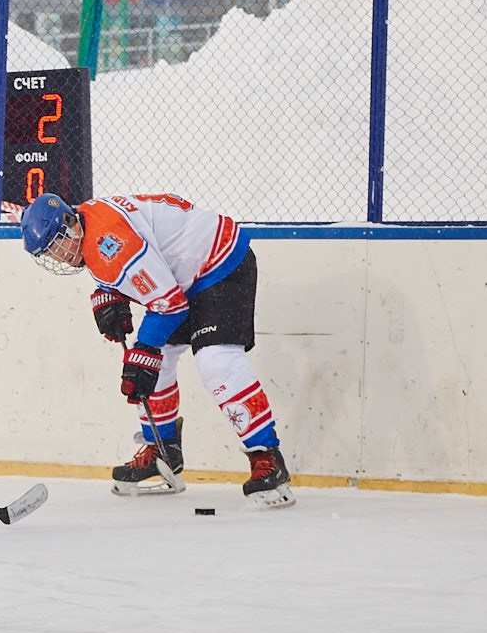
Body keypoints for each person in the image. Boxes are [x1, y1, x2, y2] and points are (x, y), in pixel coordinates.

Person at [19, 190, 294, 508]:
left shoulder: (107, 241)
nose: (58, 255)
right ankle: (163, 452)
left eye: (57, 243)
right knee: (153, 364)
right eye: (49, 252)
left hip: (220, 263)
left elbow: (169, 304)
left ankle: (268, 458)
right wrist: (110, 293)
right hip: (180, 275)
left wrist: (145, 347)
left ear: (70, 222)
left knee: (215, 360)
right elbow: (139, 263)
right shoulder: (89, 225)